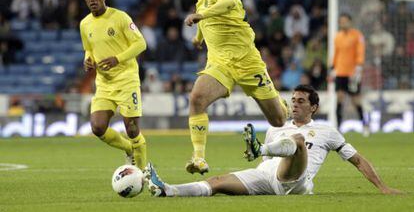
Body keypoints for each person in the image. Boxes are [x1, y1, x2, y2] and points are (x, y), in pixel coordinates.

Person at [144, 85, 401, 197]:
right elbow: (268, 163)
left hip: (295, 182)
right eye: (293, 101)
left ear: (314, 107)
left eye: (301, 101)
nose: (295, 105)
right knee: (217, 182)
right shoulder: (276, 128)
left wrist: (382, 187)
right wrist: (262, 157)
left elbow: (357, 160)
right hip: (266, 176)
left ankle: (259, 148)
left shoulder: (326, 131)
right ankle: (168, 189)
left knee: (298, 141)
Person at [183, 0, 288, 174]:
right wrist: (198, 37)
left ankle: (281, 103)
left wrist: (200, 16)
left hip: (247, 62)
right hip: (220, 63)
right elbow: (206, 15)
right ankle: (199, 158)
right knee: (197, 98)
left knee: (278, 120)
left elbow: (228, 2)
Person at [80, 0, 147, 170]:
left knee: (132, 130)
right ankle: (128, 149)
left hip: (127, 80)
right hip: (104, 84)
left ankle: (142, 174)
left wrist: (117, 59)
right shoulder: (84, 24)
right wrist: (88, 59)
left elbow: (141, 44)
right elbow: (89, 48)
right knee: (97, 128)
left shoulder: (120, 17)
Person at [329, 13, 368, 136]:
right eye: (341, 21)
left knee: (356, 100)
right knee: (339, 98)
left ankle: (365, 124)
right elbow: (336, 53)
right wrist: (332, 67)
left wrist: (359, 66)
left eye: (345, 21)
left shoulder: (357, 35)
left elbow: (360, 52)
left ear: (350, 22)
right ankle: (338, 127)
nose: (343, 24)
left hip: (352, 73)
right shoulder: (338, 37)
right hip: (340, 72)